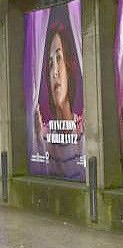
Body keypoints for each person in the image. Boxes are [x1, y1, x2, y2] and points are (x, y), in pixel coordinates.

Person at [33, 19, 84, 180]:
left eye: (59, 58)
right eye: (50, 64)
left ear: (70, 65)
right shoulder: (41, 135)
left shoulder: (85, 129)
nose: (54, 71)